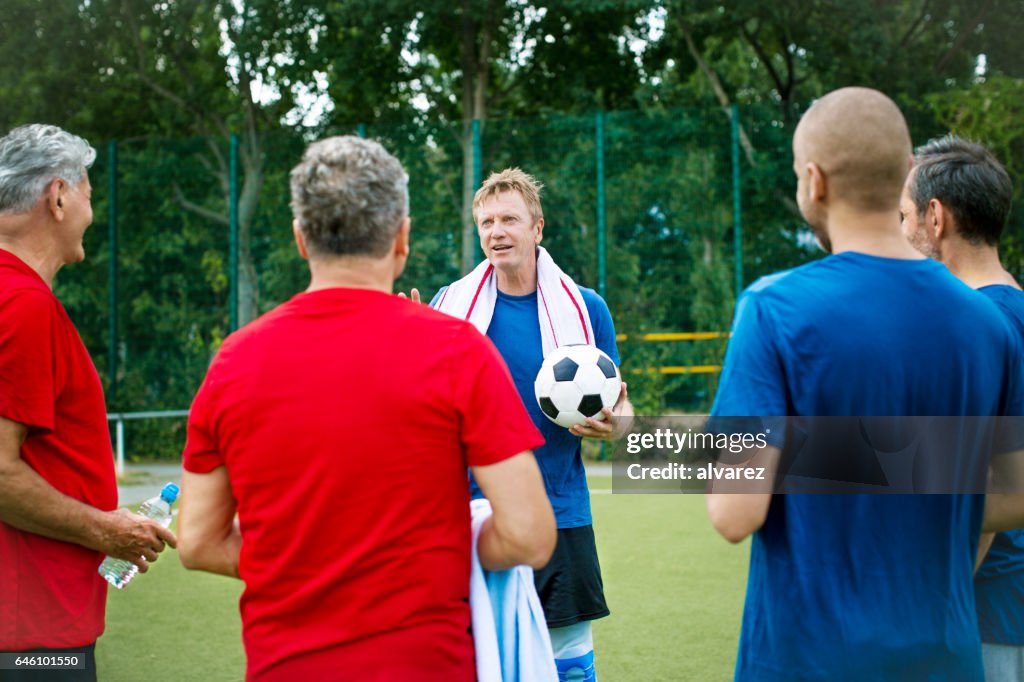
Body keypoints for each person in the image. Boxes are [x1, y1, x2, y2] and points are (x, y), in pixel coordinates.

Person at [176, 136, 556, 681]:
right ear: (401, 238)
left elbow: (196, 541)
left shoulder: (233, 363)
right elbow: (530, 535)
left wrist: (302, 560)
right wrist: (436, 552)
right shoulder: (459, 352)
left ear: (300, 239)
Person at [706, 88, 1024, 680]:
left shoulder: (774, 307)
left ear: (813, 181)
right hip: (946, 658)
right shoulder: (988, 324)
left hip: (808, 660)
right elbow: (1013, 496)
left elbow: (733, 511)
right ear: (905, 173)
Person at [426, 167, 632, 681]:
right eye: (487, 221)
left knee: (571, 662)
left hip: (560, 511)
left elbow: (620, 406)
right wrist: (410, 347)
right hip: (472, 515)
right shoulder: (449, 308)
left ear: (537, 228)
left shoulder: (587, 308)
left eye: (509, 220)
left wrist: (617, 428)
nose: (496, 232)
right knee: (475, 661)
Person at [0, 124, 176, 681]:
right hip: (30, 632)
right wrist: (108, 531)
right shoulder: (23, 305)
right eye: (89, 195)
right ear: (57, 197)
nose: (91, 213)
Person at [901, 134, 1024, 680]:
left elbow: (991, 489)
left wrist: (934, 605)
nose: (901, 231)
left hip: (983, 604)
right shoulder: (1012, 306)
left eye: (904, 215)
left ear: (934, 217)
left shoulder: (973, 327)